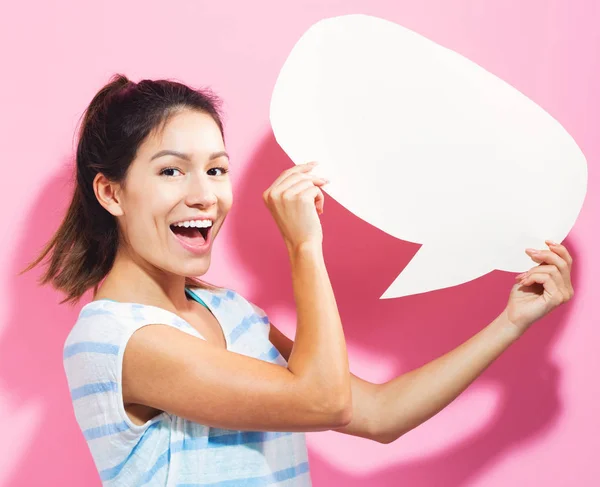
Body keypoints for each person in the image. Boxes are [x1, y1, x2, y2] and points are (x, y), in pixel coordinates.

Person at [22, 74, 574, 486]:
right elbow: (323, 403)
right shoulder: (118, 340)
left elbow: (379, 415)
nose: (204, 194)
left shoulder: (231, 313)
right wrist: (304, 246)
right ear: (111, 193)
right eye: (171, 170)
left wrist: (510, 322)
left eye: (216, 168)